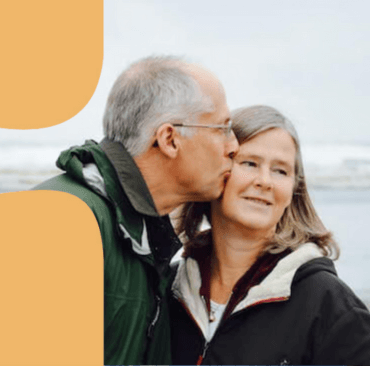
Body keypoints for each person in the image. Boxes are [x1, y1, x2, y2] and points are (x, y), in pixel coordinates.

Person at [34, 55, 239, 365]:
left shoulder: (143, 234)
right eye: (222, 128)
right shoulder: (63, 222)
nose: (233, 146)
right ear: (169, 139)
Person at [170, 105, 370, 365]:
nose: (265, 181)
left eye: (280, 170)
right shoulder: (168, 289)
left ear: (294, 189)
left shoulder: (332, 307)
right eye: (249, 163)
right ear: (217, 170)